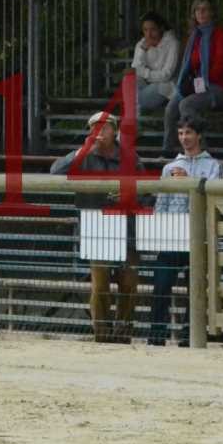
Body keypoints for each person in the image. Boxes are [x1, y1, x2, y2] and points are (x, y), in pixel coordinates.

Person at [50, 111, 138, 342]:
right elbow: (55, 172)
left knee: (128, 282)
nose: (98, 132)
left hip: (126, 228)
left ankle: (123, 333)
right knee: (100, 286)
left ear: (114, 130)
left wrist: (128, 196)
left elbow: (146, 191)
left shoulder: (130, 158)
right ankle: (102, 334)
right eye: (94, 128)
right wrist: (81, 151)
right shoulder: (84, 155)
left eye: (104, 127)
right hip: (96, 228)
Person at [148, 116, 223, 346]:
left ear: (199, 135)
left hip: (198, 236)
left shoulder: (214, 166)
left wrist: (189, 180)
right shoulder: (169, 167)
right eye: (180, 133)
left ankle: (188, 337)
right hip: (172, 235)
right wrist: (157, 231)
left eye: (188, 133)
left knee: (196, 290)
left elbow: (214, 200)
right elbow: (161, 202)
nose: (184, 138)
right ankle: (156, 336)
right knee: (160, 288)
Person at [162, 0, 223, 156]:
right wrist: (190, 84)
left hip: (216, 87)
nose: (201, 12)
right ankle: (167, 152)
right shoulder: (194, 36)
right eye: (197, 9)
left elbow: (220, 65)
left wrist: (199, 84)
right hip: (196, 86)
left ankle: (200, 151)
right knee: (170, 108)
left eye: (205, 9)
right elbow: (188, 67)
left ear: (212, 13)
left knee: (186, 105)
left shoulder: (219, 34)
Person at [130, 10, 179, 114]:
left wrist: (145, 73)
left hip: (165, 88)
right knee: (129, 80)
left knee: (136, 98)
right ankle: (137, 116)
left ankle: (136, 116)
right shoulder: (141, 44)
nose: (149, 34)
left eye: (153, 29)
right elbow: (135, 69)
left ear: (161, 28)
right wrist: (143, 50)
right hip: (146, 87)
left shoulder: (172, 43)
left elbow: (167, 75)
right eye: (145, 30)